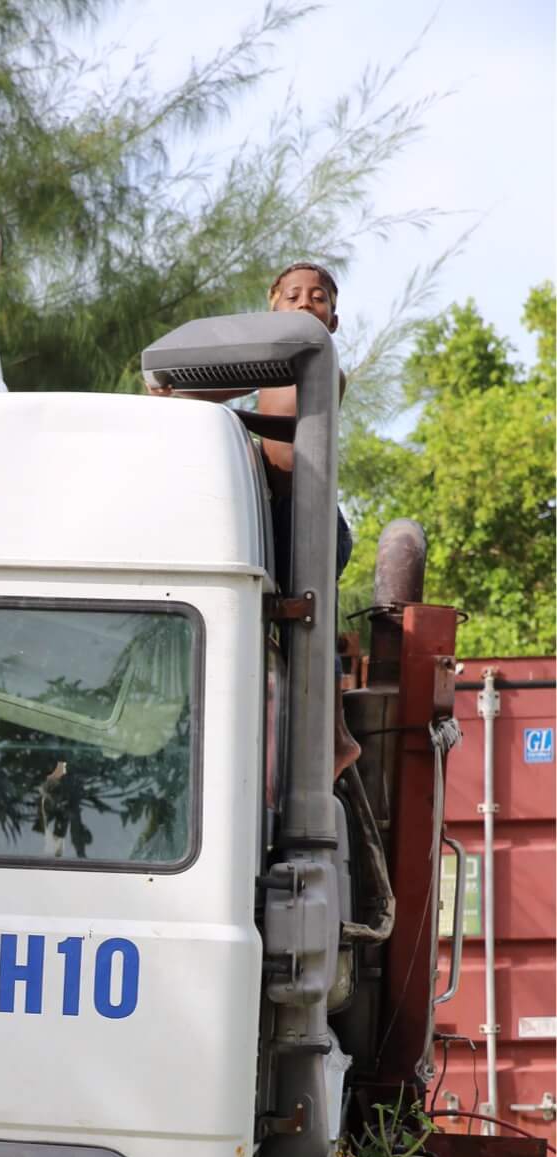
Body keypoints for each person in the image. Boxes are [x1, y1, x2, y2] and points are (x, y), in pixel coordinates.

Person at [150, 259, 359, 777]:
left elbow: (289, 429)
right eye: (293, 296)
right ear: (272, 305)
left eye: (318, 297)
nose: (305, 304)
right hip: (272, 511)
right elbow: (203, 392)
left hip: (309, 517)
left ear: (333, 319)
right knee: (260, 625)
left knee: (310, 621)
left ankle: (335, 739)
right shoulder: (269, 364)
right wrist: (174, 395)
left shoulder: (321, 367)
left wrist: (229, 414)